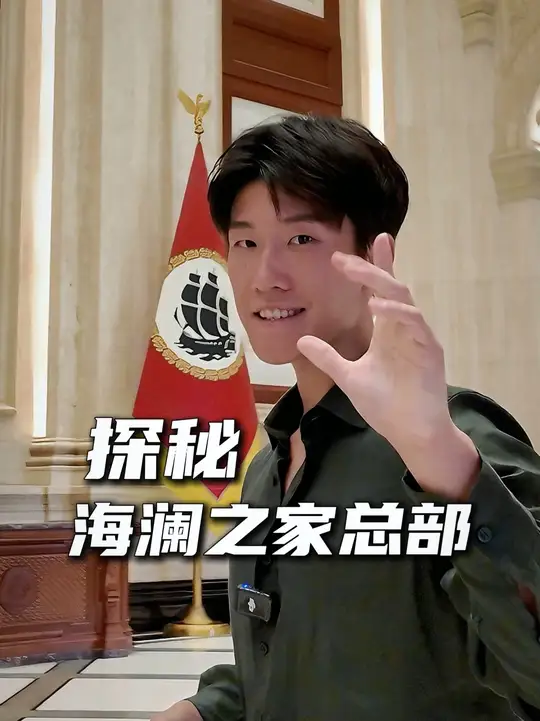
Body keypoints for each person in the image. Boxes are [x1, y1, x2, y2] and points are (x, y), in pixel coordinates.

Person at [152, 115, 540, 721]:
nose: (265, 277)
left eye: (302, 240)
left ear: (374, 254)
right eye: (246, 243)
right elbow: (290, 655)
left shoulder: (455, 438)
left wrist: (445, 464)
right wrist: (206, 709)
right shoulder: (267, 468)